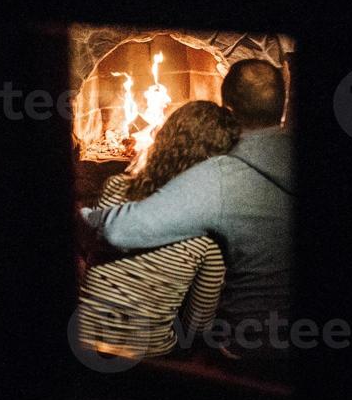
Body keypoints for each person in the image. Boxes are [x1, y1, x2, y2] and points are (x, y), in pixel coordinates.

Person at [81, 59, 293, 366]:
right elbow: (198, 323)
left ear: (230, 109)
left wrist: (82, 218)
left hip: (247, 353)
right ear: (282, 104)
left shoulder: (217, 181)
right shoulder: (209, 237)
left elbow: (116, 230)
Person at [76, 100, 242, 361]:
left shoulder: (115, 186)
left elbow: (90, 246)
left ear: (165, 139)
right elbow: (196, 326)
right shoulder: (212, 231)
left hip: (82, 343)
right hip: (150, 358)